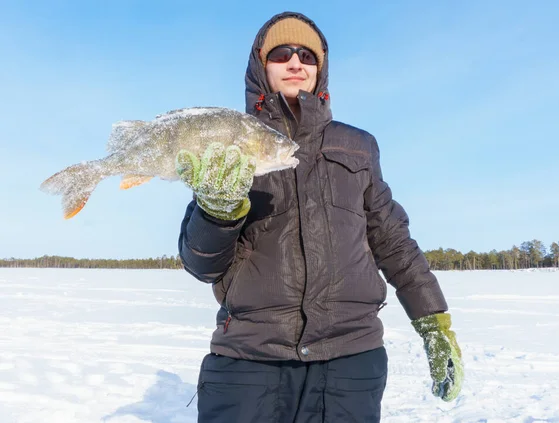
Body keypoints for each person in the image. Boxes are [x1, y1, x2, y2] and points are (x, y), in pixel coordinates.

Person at [177, 11, 463, 423]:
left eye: (308, 56)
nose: (296, 62)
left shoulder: (358, 146)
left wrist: (434, 322)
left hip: (350, 361)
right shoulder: (230, 143)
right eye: (281, 53)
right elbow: (201, 264)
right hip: (250, 358)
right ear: (260, 63)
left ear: (321, 70)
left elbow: (394, 242)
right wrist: (217, 212)